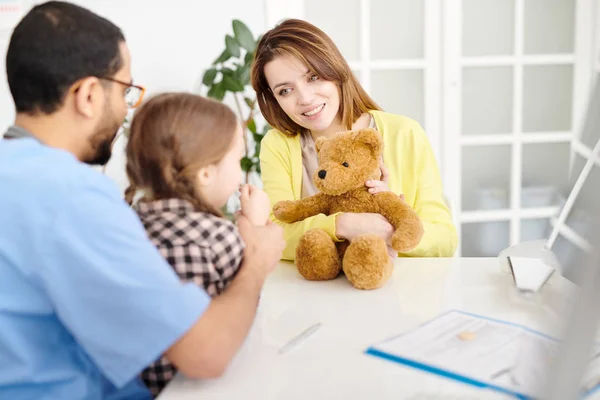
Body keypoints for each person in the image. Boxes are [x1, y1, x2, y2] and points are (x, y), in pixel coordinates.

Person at [0, 2, 285, 399]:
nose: (124, 108)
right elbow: (206, 354)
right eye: (124, 90)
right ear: (87, 95)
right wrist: (256, 261)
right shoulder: (70, 196)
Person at [251, 18, 457, 261]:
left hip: (396, 287)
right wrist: (344, 224)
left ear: (334, 70)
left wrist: (390, 225)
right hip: (313, 291)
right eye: (285, 90)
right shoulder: (278, 145)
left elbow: (445, 239)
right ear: (274, 99)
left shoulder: (404, 133)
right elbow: (275, 234)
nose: (305, 98)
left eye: (313, 77)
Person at [124, 92, 271, 396]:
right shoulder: (217, 237)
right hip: (200, 387)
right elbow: (247, 314)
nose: (240, 169)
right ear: (206, 173)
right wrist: (255, 233)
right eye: (237, 159)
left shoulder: (127, 227)